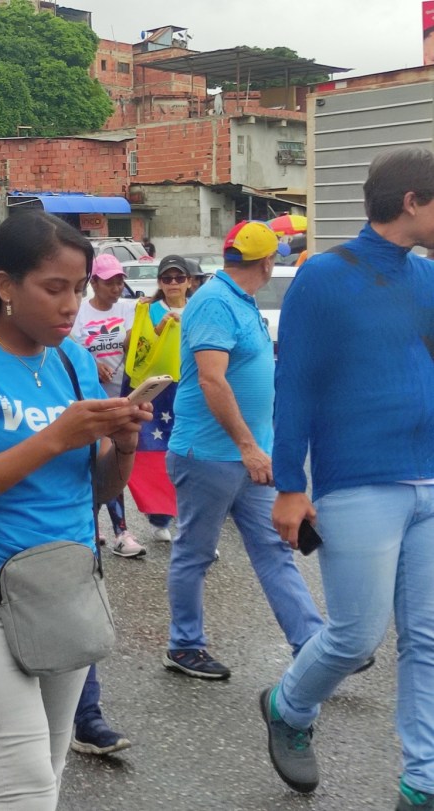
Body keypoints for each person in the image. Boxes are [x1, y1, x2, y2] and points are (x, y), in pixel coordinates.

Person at [0, 211, 147, 805]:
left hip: (65, 580)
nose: (72, 305)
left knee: (51, 763)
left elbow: (95, 491)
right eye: (54, 288)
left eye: (79, 287)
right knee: (26, 779)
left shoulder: (74, 363)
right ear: (6, 286)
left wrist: (124, 447)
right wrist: (53, 439)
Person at [261, 147, 434, 807]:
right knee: (356, 633)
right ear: (411, 202)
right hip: (357, 479)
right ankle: (287, 705)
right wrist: (287, 484)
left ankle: (421, 780)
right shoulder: (322, 277)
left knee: (425, 637)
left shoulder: (426, 281)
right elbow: (294, 383)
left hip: (428, 481)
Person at [163, 222, 323, 681]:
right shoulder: (215, 301)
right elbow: (212, 379)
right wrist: (249, 447)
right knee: (195, 552)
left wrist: (260, 447)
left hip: (244, 456)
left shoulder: (239, 301)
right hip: (210, 455)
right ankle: (184, 645)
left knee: (274, 548)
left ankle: (313, 644)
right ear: (269, 261)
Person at [70, 253, 144, 559]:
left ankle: (112, 529)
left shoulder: (129, 309)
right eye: (110, 282)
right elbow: (70, 350)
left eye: (120, 282)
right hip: (93, 401)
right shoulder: (80, 314)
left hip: (123, 396)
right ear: (94, 283)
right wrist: (92, 363)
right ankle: (113, 530)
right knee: (99, 463)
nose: (116, 288)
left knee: (113, 464)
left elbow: (135, 341)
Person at [126, 255, 192, 543]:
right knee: (156, 450)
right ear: (160, 283)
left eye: (179, 278)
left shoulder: (198, 309)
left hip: (190, 387)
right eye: (167, 278)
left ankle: (189, 521)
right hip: (159, 391)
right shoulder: (150, 310)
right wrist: (159, 327)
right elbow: (135, 347)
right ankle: (160, 514)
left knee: (190, 453)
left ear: (190, 281)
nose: (173, 283)